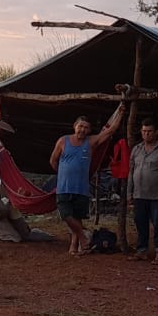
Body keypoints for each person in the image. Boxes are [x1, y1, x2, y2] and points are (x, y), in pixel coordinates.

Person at [49, 103, 125, 256]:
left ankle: (74, 247)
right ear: (74, 126)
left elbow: (110, 131)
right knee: (66, 215)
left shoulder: (91, 142)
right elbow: (53, 160)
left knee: (77, 217)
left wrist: (121, 112)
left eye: (86, 127)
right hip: (64, 187)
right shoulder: (63, 141)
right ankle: (84, 239)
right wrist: (63, 173)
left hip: (81, 188)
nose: (82, 129)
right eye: (80, 126)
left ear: (89, 130)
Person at [127, 118, 158, 264]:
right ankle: (142, 250)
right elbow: (131, 172)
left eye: (149, 131)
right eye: (144, 131)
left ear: (156, 132)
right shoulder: (137, 149)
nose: (146, 134)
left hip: (156, 195)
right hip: (139, 194)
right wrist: (129, 193)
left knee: (157, 223)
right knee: (140, 222)